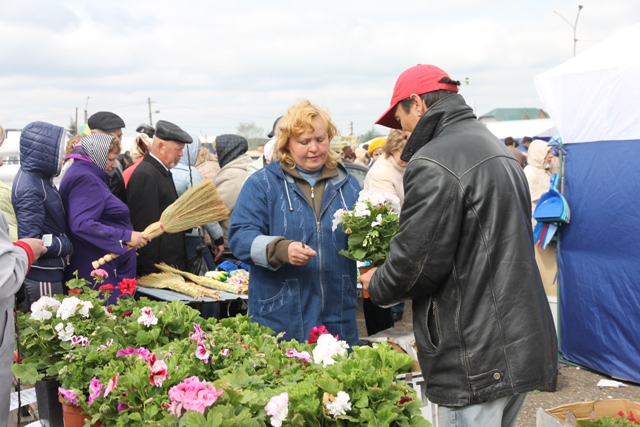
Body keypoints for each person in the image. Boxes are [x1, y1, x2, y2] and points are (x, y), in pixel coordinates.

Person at [360, 64, 557, 427]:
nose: (400, 128)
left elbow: (415, 265)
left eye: (399, 116)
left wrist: (379, 283)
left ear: (417, 104)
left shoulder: (435, 159)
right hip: (518, 339)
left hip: (475, 353)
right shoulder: (491, 145)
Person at [228, 99, 362, 347]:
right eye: (304, 142)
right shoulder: (263, 185)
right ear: (286, 144)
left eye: (320, 140)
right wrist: (280, 249)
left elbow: (363, 238)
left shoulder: (349, 185)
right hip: (281, 314)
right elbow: (239, 236)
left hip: (338, 312)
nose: (314, 148)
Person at [59, 134, 150, 302]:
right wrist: (126, 238)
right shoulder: (86, 179)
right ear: (97, 156)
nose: (114, 165)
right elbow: (82, 224)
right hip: (97, 268)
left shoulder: (84, 173)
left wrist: (123, 247)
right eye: (110, 159)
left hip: (100, 262)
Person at [12, 121, 74, 310]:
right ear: (43, 150)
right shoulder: (30, 187)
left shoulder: (39, 180)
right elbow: (31, 241)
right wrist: (66, 244)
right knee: (47, 333)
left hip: (50, 271)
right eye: (58, 150)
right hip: (42, 275)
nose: (63, 155)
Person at [127, 120, 192, 276]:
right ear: (161, 147)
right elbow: (144, 228)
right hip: (157, 270)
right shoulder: (146, 175)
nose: (181, 154)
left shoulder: (160, 171)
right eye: (178, 149)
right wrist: (150, 272)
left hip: (168, 266)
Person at [361, 129, 407, 334]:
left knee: (385, 296)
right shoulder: (382, 173)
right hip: (378, 243)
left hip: (389, 239)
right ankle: (380, 340)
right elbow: (390, 214)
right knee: (377, 293)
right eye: (406, 154)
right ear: (395, 148)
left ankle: (386, 334)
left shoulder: (398, 165)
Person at [171, 133, 224, 271]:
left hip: (167, 238)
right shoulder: (189, 172)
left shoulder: (162, 170)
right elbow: (204, 208)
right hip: (191, 237)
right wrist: (218, 239)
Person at [524, 139, 558, 297]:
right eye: (547, 153)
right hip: (539, 229)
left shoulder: (545, 171)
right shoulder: (530, 172)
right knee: (545, 269)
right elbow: (530, 202)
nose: (551, 156)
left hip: (548, 226)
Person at [213, 134, 253, 257]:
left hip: (231, 244)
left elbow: (215, 210)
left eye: (217, 152)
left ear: (227, 151)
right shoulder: (243, 169)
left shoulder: (232, 176)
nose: (215, 156)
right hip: (243, 240)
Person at [86, 111, 128, 204]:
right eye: (111, 136)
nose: (117, 141)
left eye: (119, 136)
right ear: (94, 135)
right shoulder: (82, 166)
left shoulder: (117, 163)